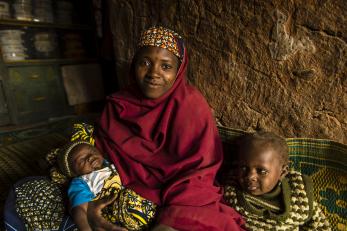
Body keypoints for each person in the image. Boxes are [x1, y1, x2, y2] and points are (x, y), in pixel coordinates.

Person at [4, 25, 245, 231]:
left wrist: (168, 223)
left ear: (178, 71)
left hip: (163, 201)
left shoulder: (190, 106)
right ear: (134, 65)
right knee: (27, 191)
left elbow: (200, 175)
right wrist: (85, 207)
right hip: (109, 188)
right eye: (146, 63)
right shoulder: (120, 104)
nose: (153, 74)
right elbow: (97, 156)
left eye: (166, 66)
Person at [223, 131, 331, 230]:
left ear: (283, 172)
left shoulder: (299, 194)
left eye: (262, 171)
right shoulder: (232, 192)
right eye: (243, 167)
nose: (250, 176)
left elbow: (320, 226)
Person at [54, 140, 156, 231]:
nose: (90, 157)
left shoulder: (111, 163)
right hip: (116, 214)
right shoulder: (81, 181)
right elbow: (79, 209)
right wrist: (85, 227)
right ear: (74, 173)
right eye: (82, 159)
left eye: (92, 151)